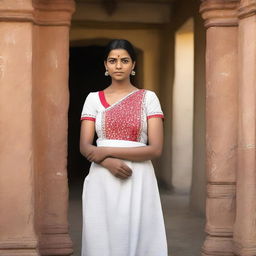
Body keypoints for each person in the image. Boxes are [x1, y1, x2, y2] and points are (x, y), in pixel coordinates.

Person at [80, 39, 168, 256]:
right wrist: (107, 162)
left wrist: (106, 151)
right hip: (102, 178)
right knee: (101, 235)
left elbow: (155, 149)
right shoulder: (93, 99)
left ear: (133, 65)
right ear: (105, 66)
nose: (118, 65)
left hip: (138, 177)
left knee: (138, 234)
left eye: (124, 60)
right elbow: (84, 146)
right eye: (113, 61)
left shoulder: (148, 98)